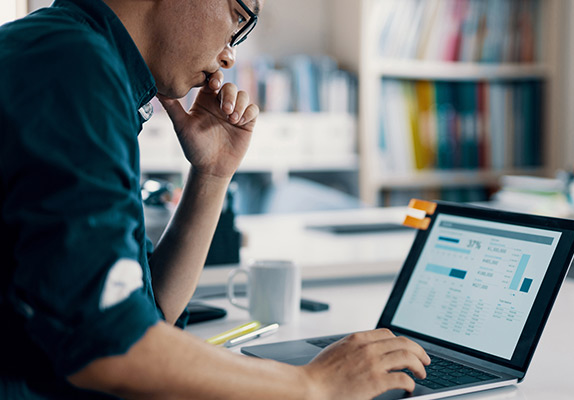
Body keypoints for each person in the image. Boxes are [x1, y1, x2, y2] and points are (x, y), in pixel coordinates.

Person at [0, 0, 430, 398]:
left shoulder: (77, 59)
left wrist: (211, 174)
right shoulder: (73, 67)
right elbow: (109, 346)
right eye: (240, 16)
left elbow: (147, 317)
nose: (229, 56)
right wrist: (311, 385)